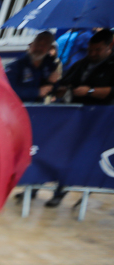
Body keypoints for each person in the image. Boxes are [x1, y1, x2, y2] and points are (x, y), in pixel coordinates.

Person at [47, 29, 114, 207]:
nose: (92, 54)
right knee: (64, 153)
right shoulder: (81, 63)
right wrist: (60, 88)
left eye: (97, 50)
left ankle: (82, 193)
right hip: (75, 116)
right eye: (90, 50)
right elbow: (63, 84)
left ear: (109, 47)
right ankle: (47, 189)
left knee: (90, 158)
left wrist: (90, 91)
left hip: (101, 120)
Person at [5, 31, 62, 102]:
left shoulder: (49, 66)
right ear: (31, 45)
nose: (39, 48)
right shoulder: (16, 66)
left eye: (44, 45)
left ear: (49, 48)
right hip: (17, 108)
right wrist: (37, 92)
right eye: (37, 44)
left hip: (38, 109)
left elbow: (50, 89)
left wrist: (53, 83)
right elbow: (8, 91)